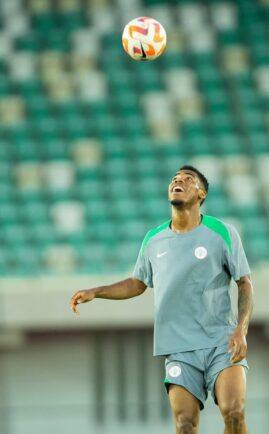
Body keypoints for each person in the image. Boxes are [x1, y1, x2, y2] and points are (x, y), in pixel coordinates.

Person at [70, 165, 254, 434]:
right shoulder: (154, 240)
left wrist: (241, 330)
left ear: (201, 193)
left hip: (221, 342)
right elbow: (137, 283)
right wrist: (97, 292)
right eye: (175, 178)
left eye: (188, 179)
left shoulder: (222, 233)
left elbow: (244, 283)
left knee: (234, 412)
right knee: (185, 424)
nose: (178, 181)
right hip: (178, 348)